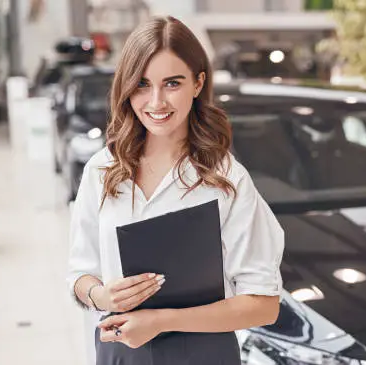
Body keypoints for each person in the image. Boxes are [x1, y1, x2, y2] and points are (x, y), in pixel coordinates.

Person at [66, 15, 285, 364]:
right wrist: (101, 296)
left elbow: (263, 305)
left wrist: (161, 321)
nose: (156, 102)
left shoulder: (226, 179)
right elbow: (80, 273)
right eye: (141, 84)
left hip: (202, 353)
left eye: (172, 83)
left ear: (198, 83)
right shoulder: (103, 170)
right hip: (118, 352)